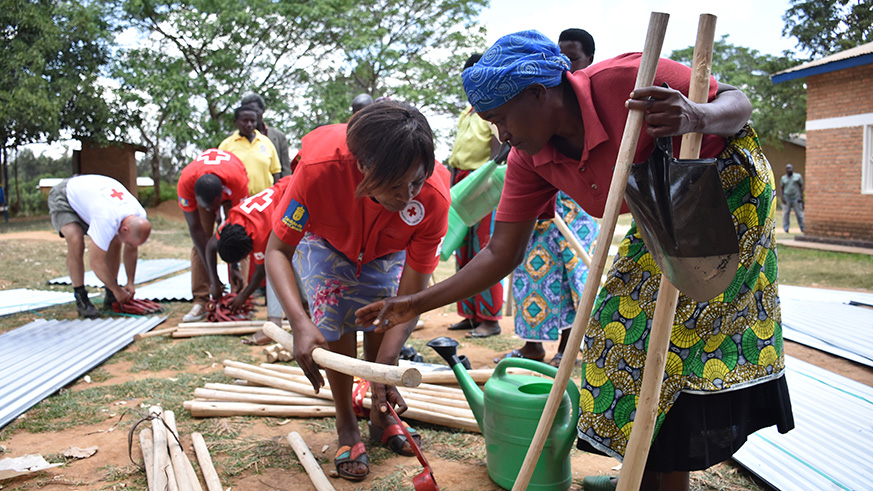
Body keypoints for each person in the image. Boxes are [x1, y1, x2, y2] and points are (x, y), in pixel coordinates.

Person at [356, 30, 793, 491]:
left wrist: (696, 114)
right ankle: (642, 474)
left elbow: (739, 103)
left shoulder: (627, 80)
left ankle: (662, 479)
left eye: (501, 118)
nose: (501, 135)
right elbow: (500, 252)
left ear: (539, 93)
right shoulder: (530, 159)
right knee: (615, 332)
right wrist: (416, 303)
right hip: (660, 209)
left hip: (727, 196)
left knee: (674, 343)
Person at [265, 100, 450, 482]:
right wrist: (299, 322)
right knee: (334, 312)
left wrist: (385, 366)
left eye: (415, 181)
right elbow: (277, 251)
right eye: (395, 185)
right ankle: (346, 423)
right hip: (327, 240)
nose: (407, 196)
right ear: (362, 166)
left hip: (387, 248)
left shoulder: (432, 197)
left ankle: (381, 417)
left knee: (384, 311)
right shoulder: (319, 171)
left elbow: (410, 296)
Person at [497, 28, 600, 366]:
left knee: (575, 274)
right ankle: (533, 345)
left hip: (578, 205)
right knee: (535, 270)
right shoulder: (535, 116)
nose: (565, 66)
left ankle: (569, 347)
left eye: (573, 59)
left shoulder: (594, 102)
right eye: (560, 59)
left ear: (589, 61)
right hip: (543, 202)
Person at [445, 53, 505, 338]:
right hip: (460, 180)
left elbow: (501, 149)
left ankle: (489, 319)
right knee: (463, 249)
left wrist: (487, 175)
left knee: (485, 248)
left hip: (482, 182)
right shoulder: (466, 113)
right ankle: (469, 315)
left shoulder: (492, 110)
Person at [48, 175, 151, 318]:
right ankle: (81, 298)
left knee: (115, 241)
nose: (130, 246)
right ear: (125, 229)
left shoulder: (139, 215)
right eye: (129, 242)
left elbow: (131, 249)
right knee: (76, 239)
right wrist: (117, 290)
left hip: (92, 197)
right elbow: (96, 262)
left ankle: (110, 294)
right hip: (65, 195)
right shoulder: (106, 218)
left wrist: (130, 283)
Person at [208, 176, 293, 344]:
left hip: (294, 194)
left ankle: (274, 324)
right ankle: (304, 310)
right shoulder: (232, 222)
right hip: (283, 189)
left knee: (277, 264)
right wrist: (219, 278)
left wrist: (243, 296)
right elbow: (211, 246)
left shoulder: (261, 235)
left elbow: (262, 272)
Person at [177, 148, 250, 322]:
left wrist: (234, 267)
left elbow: (238, 228)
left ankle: (237, 298)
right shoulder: (185, 184)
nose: (212, 211)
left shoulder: (237, 182)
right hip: (205, 186)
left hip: (231, 183)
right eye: (207, 208)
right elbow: (195, 229)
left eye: (214, 207)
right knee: (199, 244)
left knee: (240, 239)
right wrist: (213, 278)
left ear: (222, 196)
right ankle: (201, 300)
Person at [218, 104, 282, 195]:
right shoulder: (226, 146)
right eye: (245, 121)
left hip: (264, 201)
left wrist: (277, 195)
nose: (249, 124)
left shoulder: (266, 143)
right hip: (237, 201)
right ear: (235, 121)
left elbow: (276, 172)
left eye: (252, 121)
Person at [240, 93, 293, 178]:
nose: (251, 115)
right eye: (247, 111)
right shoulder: (232, 139)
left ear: (263, 110)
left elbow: (285, 170)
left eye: (255, 111)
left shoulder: (279, 137)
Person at [780, 162, 804, 233]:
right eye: (787, 168)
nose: (789, 169)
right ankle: (786, 228)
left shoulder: (797, 177)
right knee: (785, 214)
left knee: (799, 214)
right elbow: (781, 188)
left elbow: (801, 187)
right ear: (785, 170)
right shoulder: (783, 178)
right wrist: (782, 197)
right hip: (786, 198)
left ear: (793, 169)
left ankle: (803, 228)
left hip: (796, 198)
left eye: (790, 168)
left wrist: (801, 197)